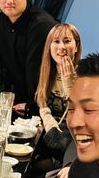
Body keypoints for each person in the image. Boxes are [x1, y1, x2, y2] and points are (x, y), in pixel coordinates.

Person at [34, 23, 82, 164]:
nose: (61, 47)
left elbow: (82, 114)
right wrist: (51, 128)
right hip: (52, 136)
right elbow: (43, 106)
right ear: (49, 46)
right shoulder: (47, 72)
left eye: (67, 41)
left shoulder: (86, 74)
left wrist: (69, 82)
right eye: (56, 41)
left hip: (74, 143)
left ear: (76, 46)